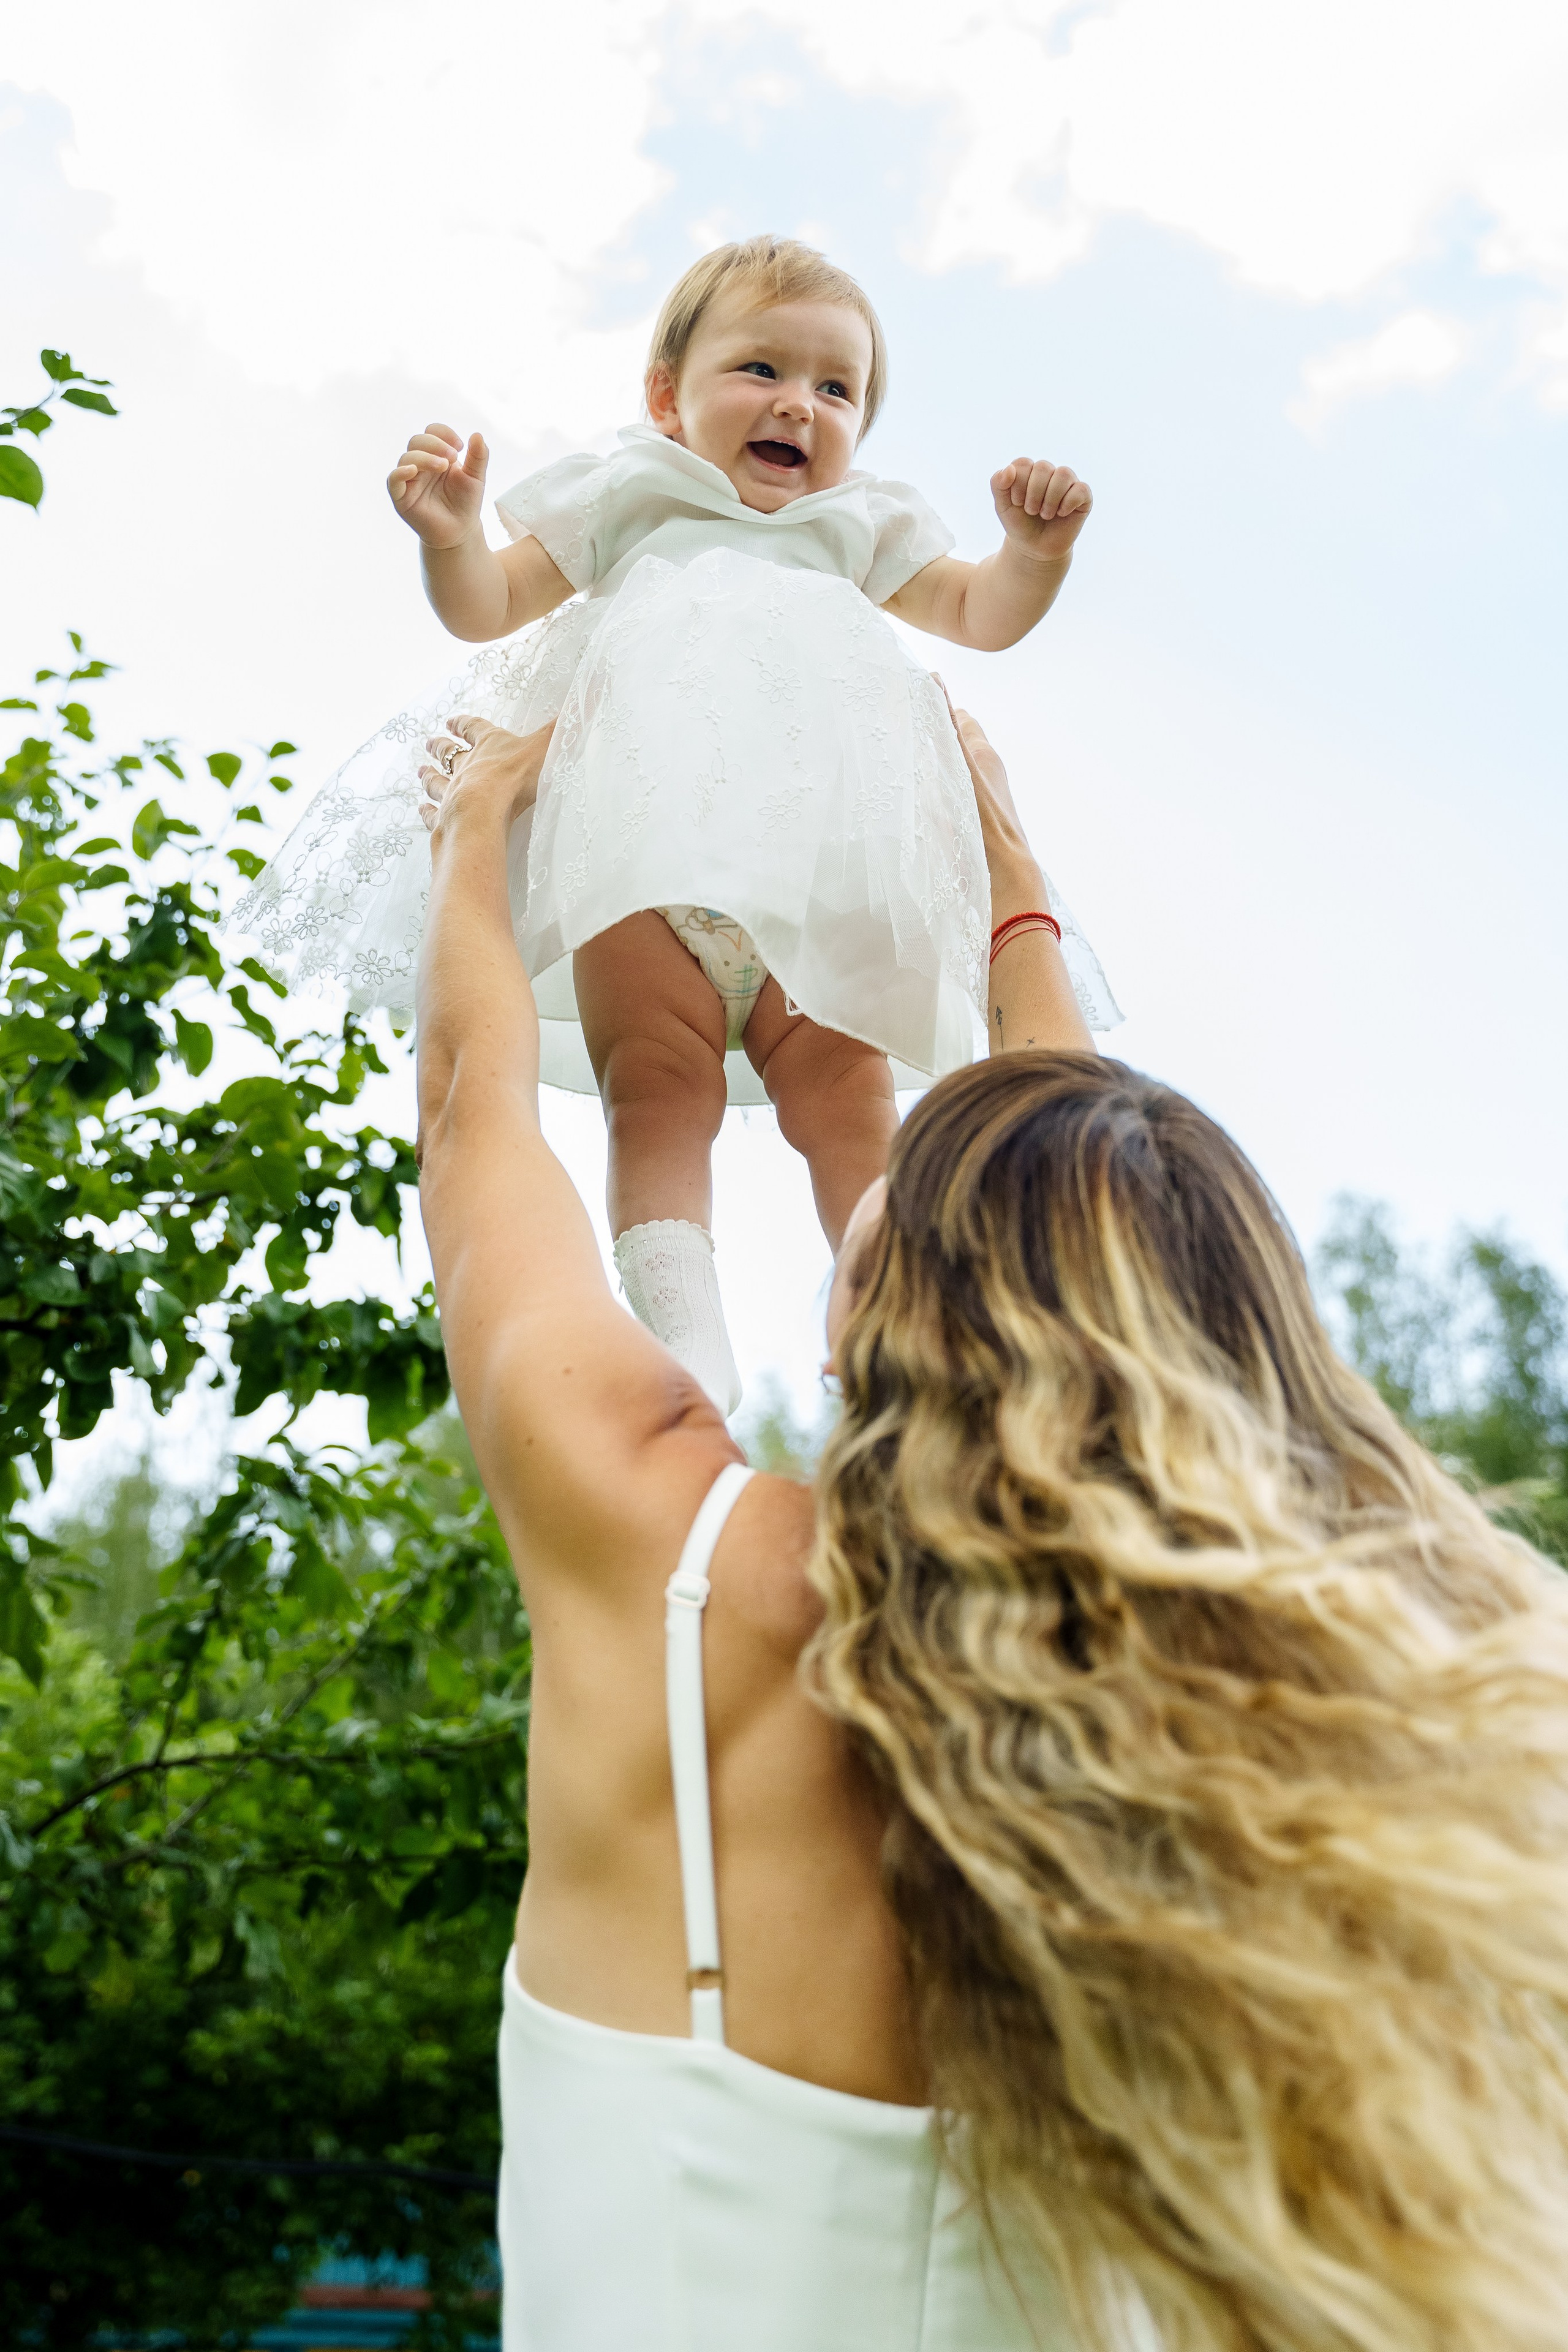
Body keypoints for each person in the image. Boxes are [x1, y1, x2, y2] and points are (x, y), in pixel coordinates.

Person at [415, 701, 1568, 2352]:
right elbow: (1087, 1210)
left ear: (864, 1301)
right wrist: (1009, 873)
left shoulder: (661, 1552)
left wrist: (475, 838)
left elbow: (477, 1112)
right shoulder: (1260, 1706)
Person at [236, 233, 1119, 1418]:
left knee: (846, 1095)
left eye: (836, 388)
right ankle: (690, 1356)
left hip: (826, 872)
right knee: (654, 1089)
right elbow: (489, 607)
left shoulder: (862, 523)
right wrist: (449, 537)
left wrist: (1034, 553)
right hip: (639, 851)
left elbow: (979, 613)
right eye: (761, 369)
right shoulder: (630, 491)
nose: (799, 405)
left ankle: (905, 1348)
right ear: (668, 396)